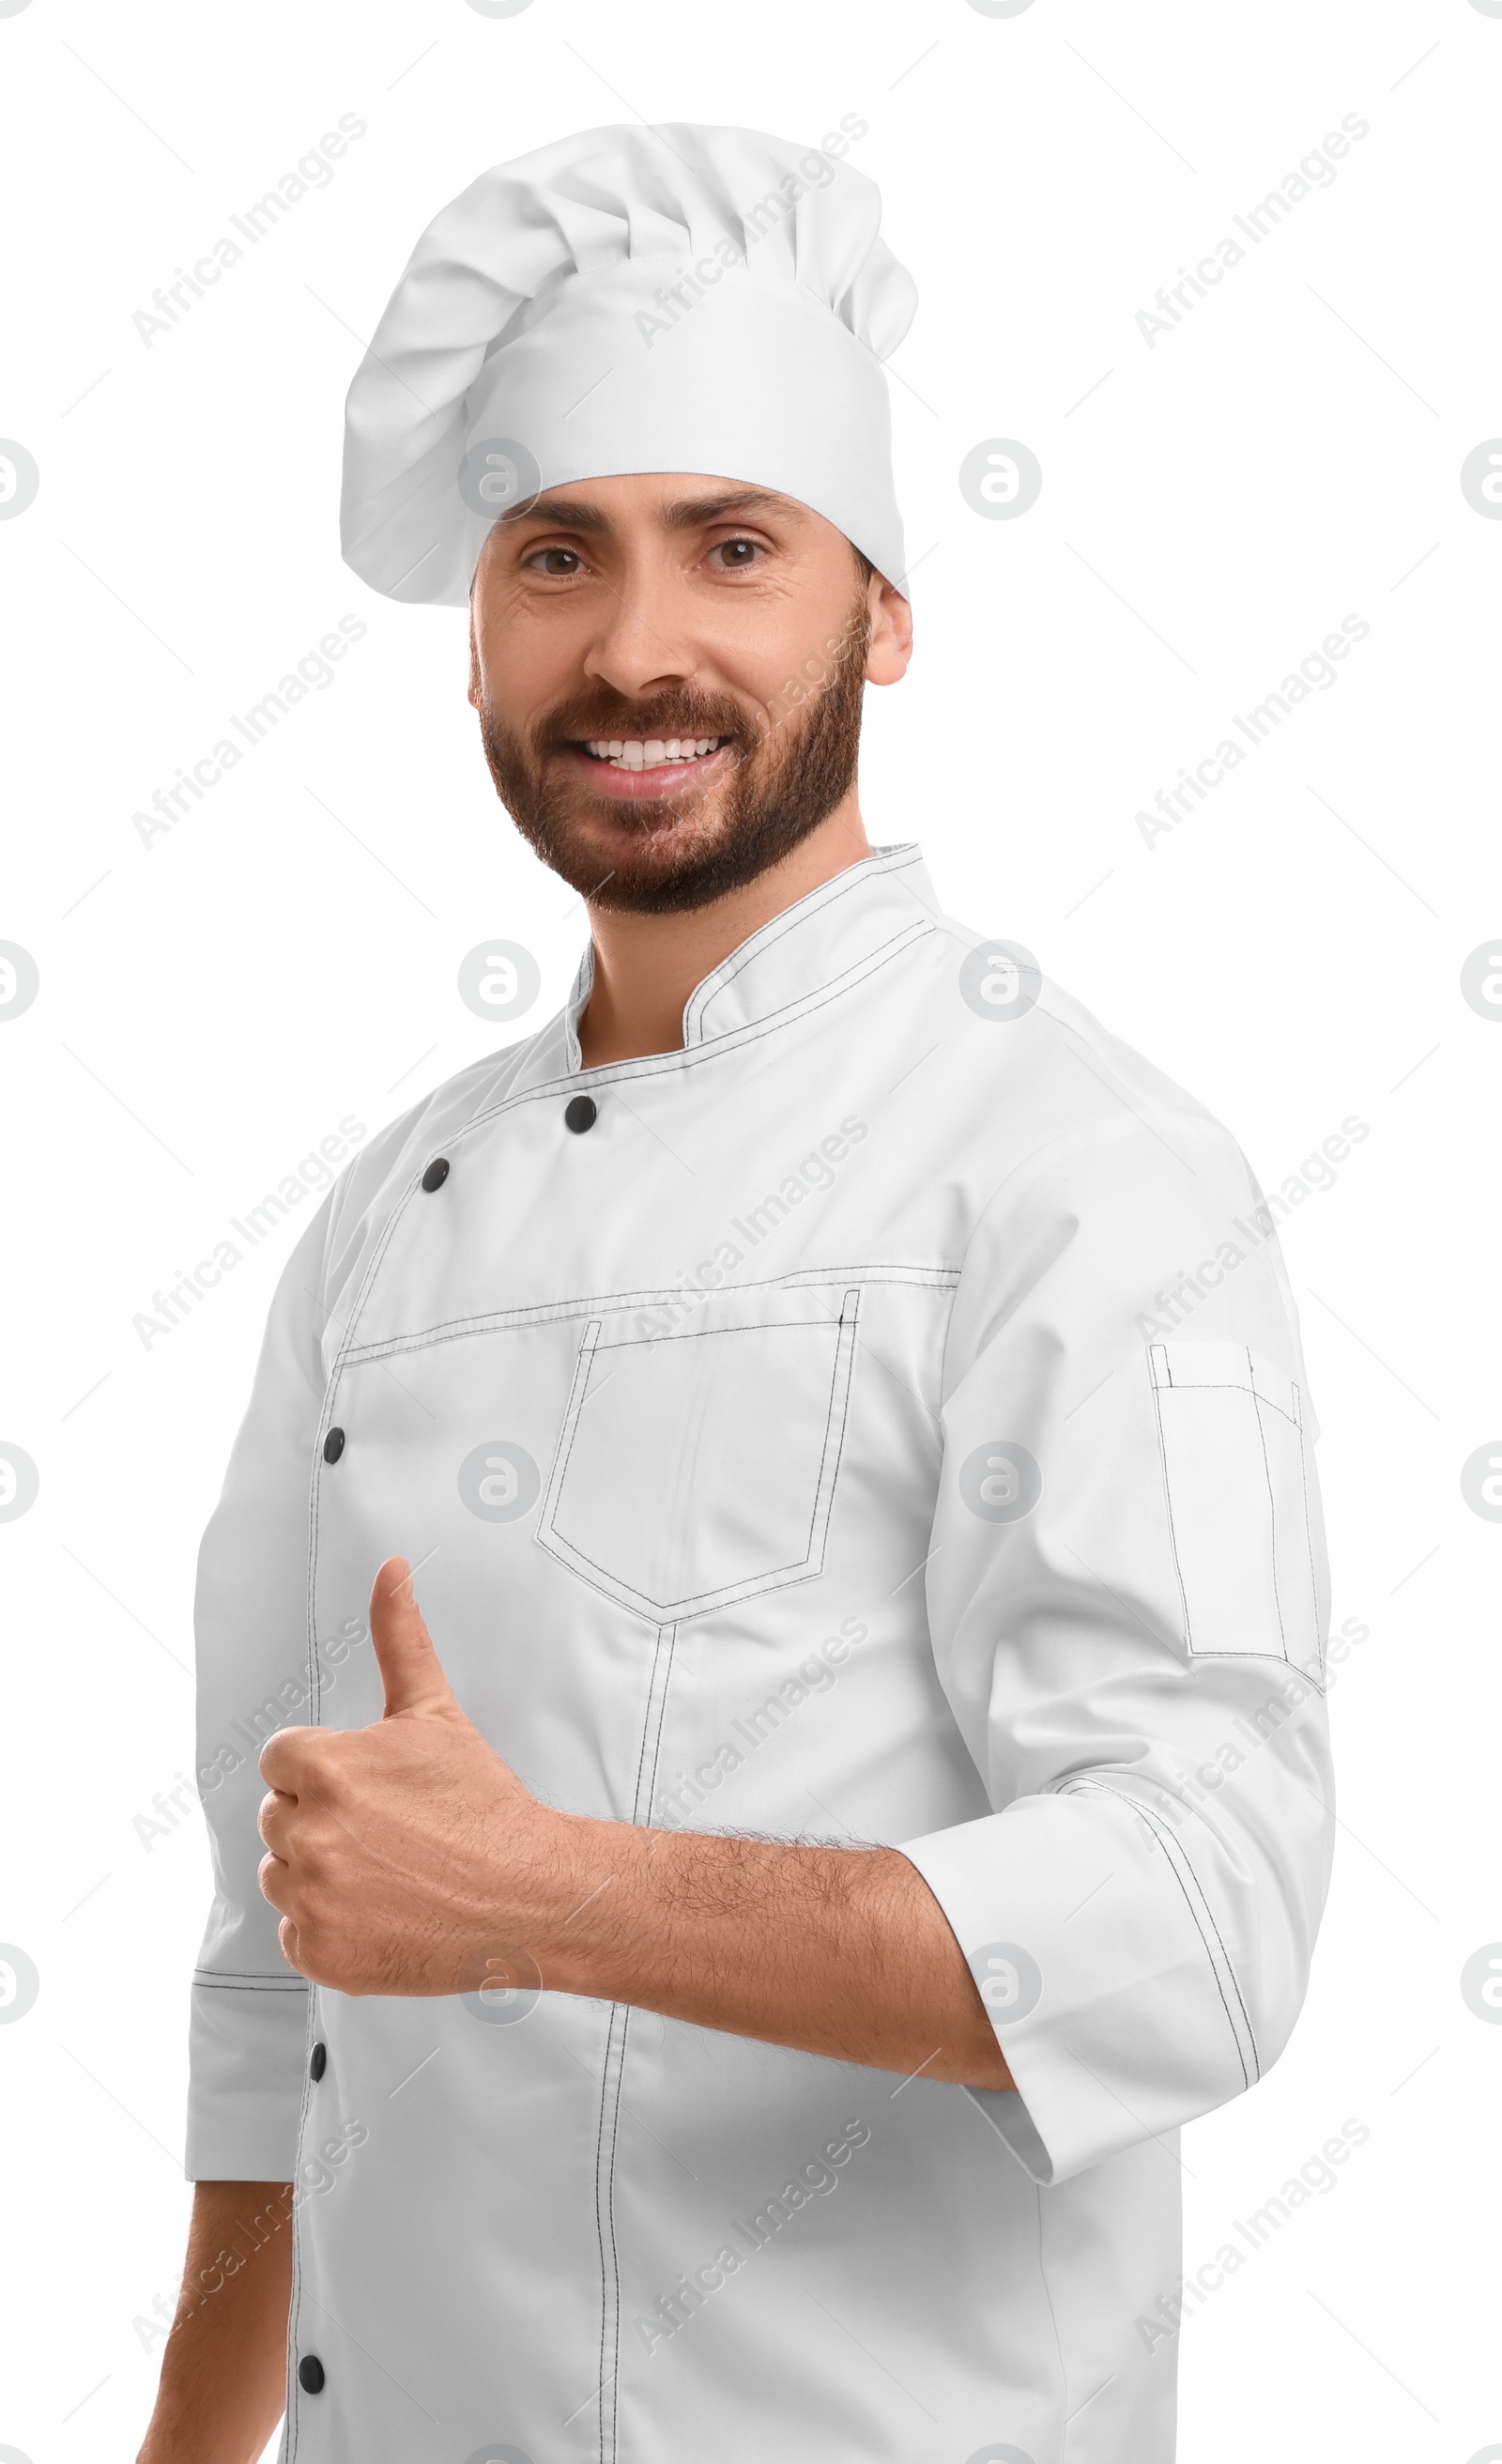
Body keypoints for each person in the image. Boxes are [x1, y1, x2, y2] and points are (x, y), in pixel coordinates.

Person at [138, 121, 1335, 2464]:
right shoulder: (390, 1212)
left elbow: (1203, 1916)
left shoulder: (1078, 1171)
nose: (636, 646)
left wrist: (546, 1895)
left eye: (735, 548)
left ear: (879, 618)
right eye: (556, 555)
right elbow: (283, 1954)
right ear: (476, 633)